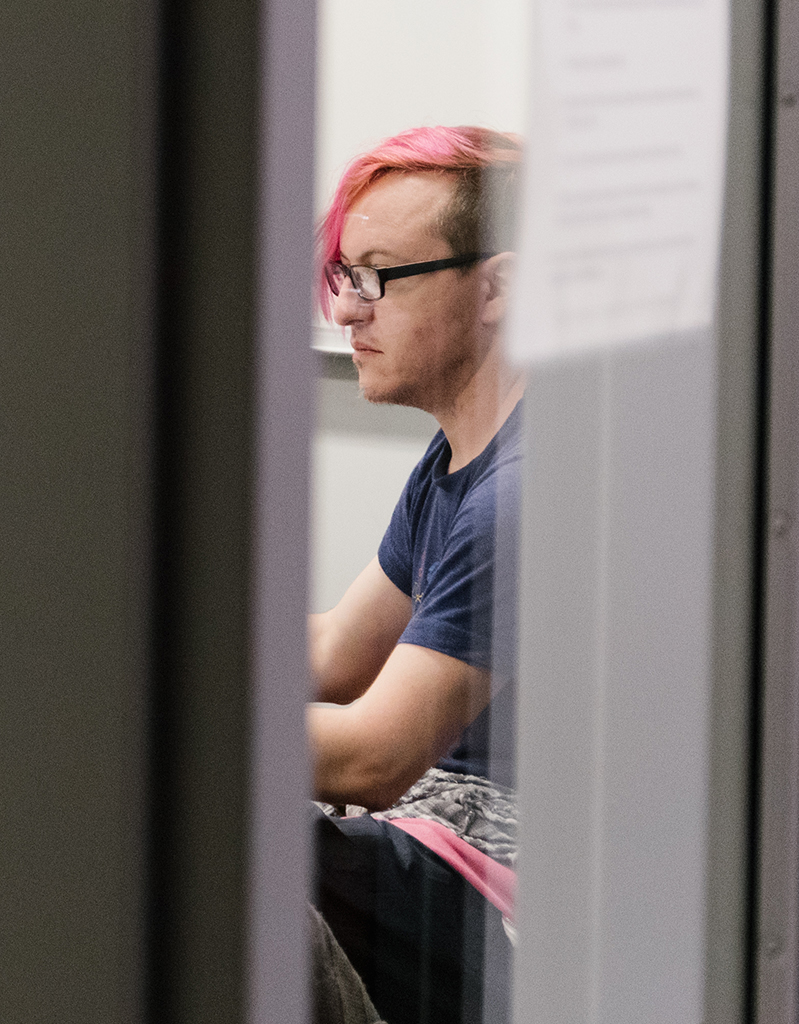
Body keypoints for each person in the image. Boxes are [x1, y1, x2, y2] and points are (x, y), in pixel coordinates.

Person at [301, 126, 525, 1024]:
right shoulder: (457, 458)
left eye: (378, 278)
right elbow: (331, 655)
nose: (349, 312)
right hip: (439, 834)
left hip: (508, 892)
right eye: (344, 278)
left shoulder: (525, 491)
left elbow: (377, 757)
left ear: (500, 288)